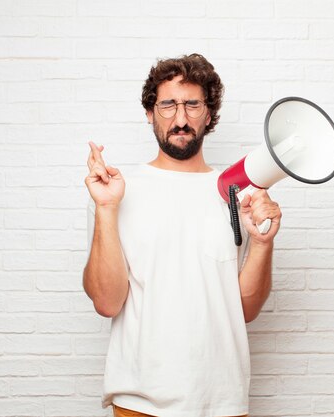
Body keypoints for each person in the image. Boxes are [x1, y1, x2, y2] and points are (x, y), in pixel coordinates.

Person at [83, 54, 282, 417]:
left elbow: (247, 310)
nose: (180, 118)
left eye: (192, 104)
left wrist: (263, 244)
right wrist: (106, 209)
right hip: (140, 403)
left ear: (208, 114)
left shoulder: (236, 194)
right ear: (149, 112)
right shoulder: (116, 192)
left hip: (223, 403)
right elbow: (107, 302)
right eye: (167, 105)